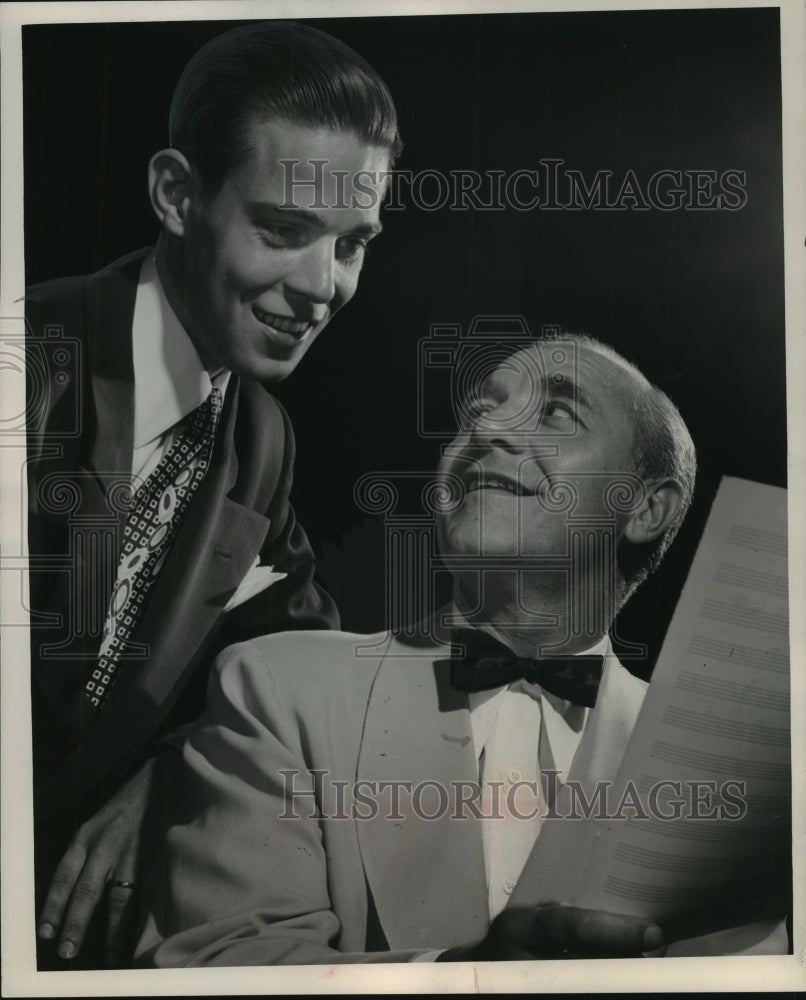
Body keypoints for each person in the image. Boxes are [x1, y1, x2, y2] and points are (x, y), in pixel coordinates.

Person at [134, 334, 788, 965]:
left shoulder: (725, 771)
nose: (487, 431)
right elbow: (224, 963)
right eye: (479, 410)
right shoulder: (275, 687)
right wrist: (465, 974)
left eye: (556, 411)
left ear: (647, 508)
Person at [25, 20, 400, 968]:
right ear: (176, 194)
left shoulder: (262, 438)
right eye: (284, 229)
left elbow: (298, 653)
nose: (324, 288)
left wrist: (168, 771)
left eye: (353, 244)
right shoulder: (29, 359)